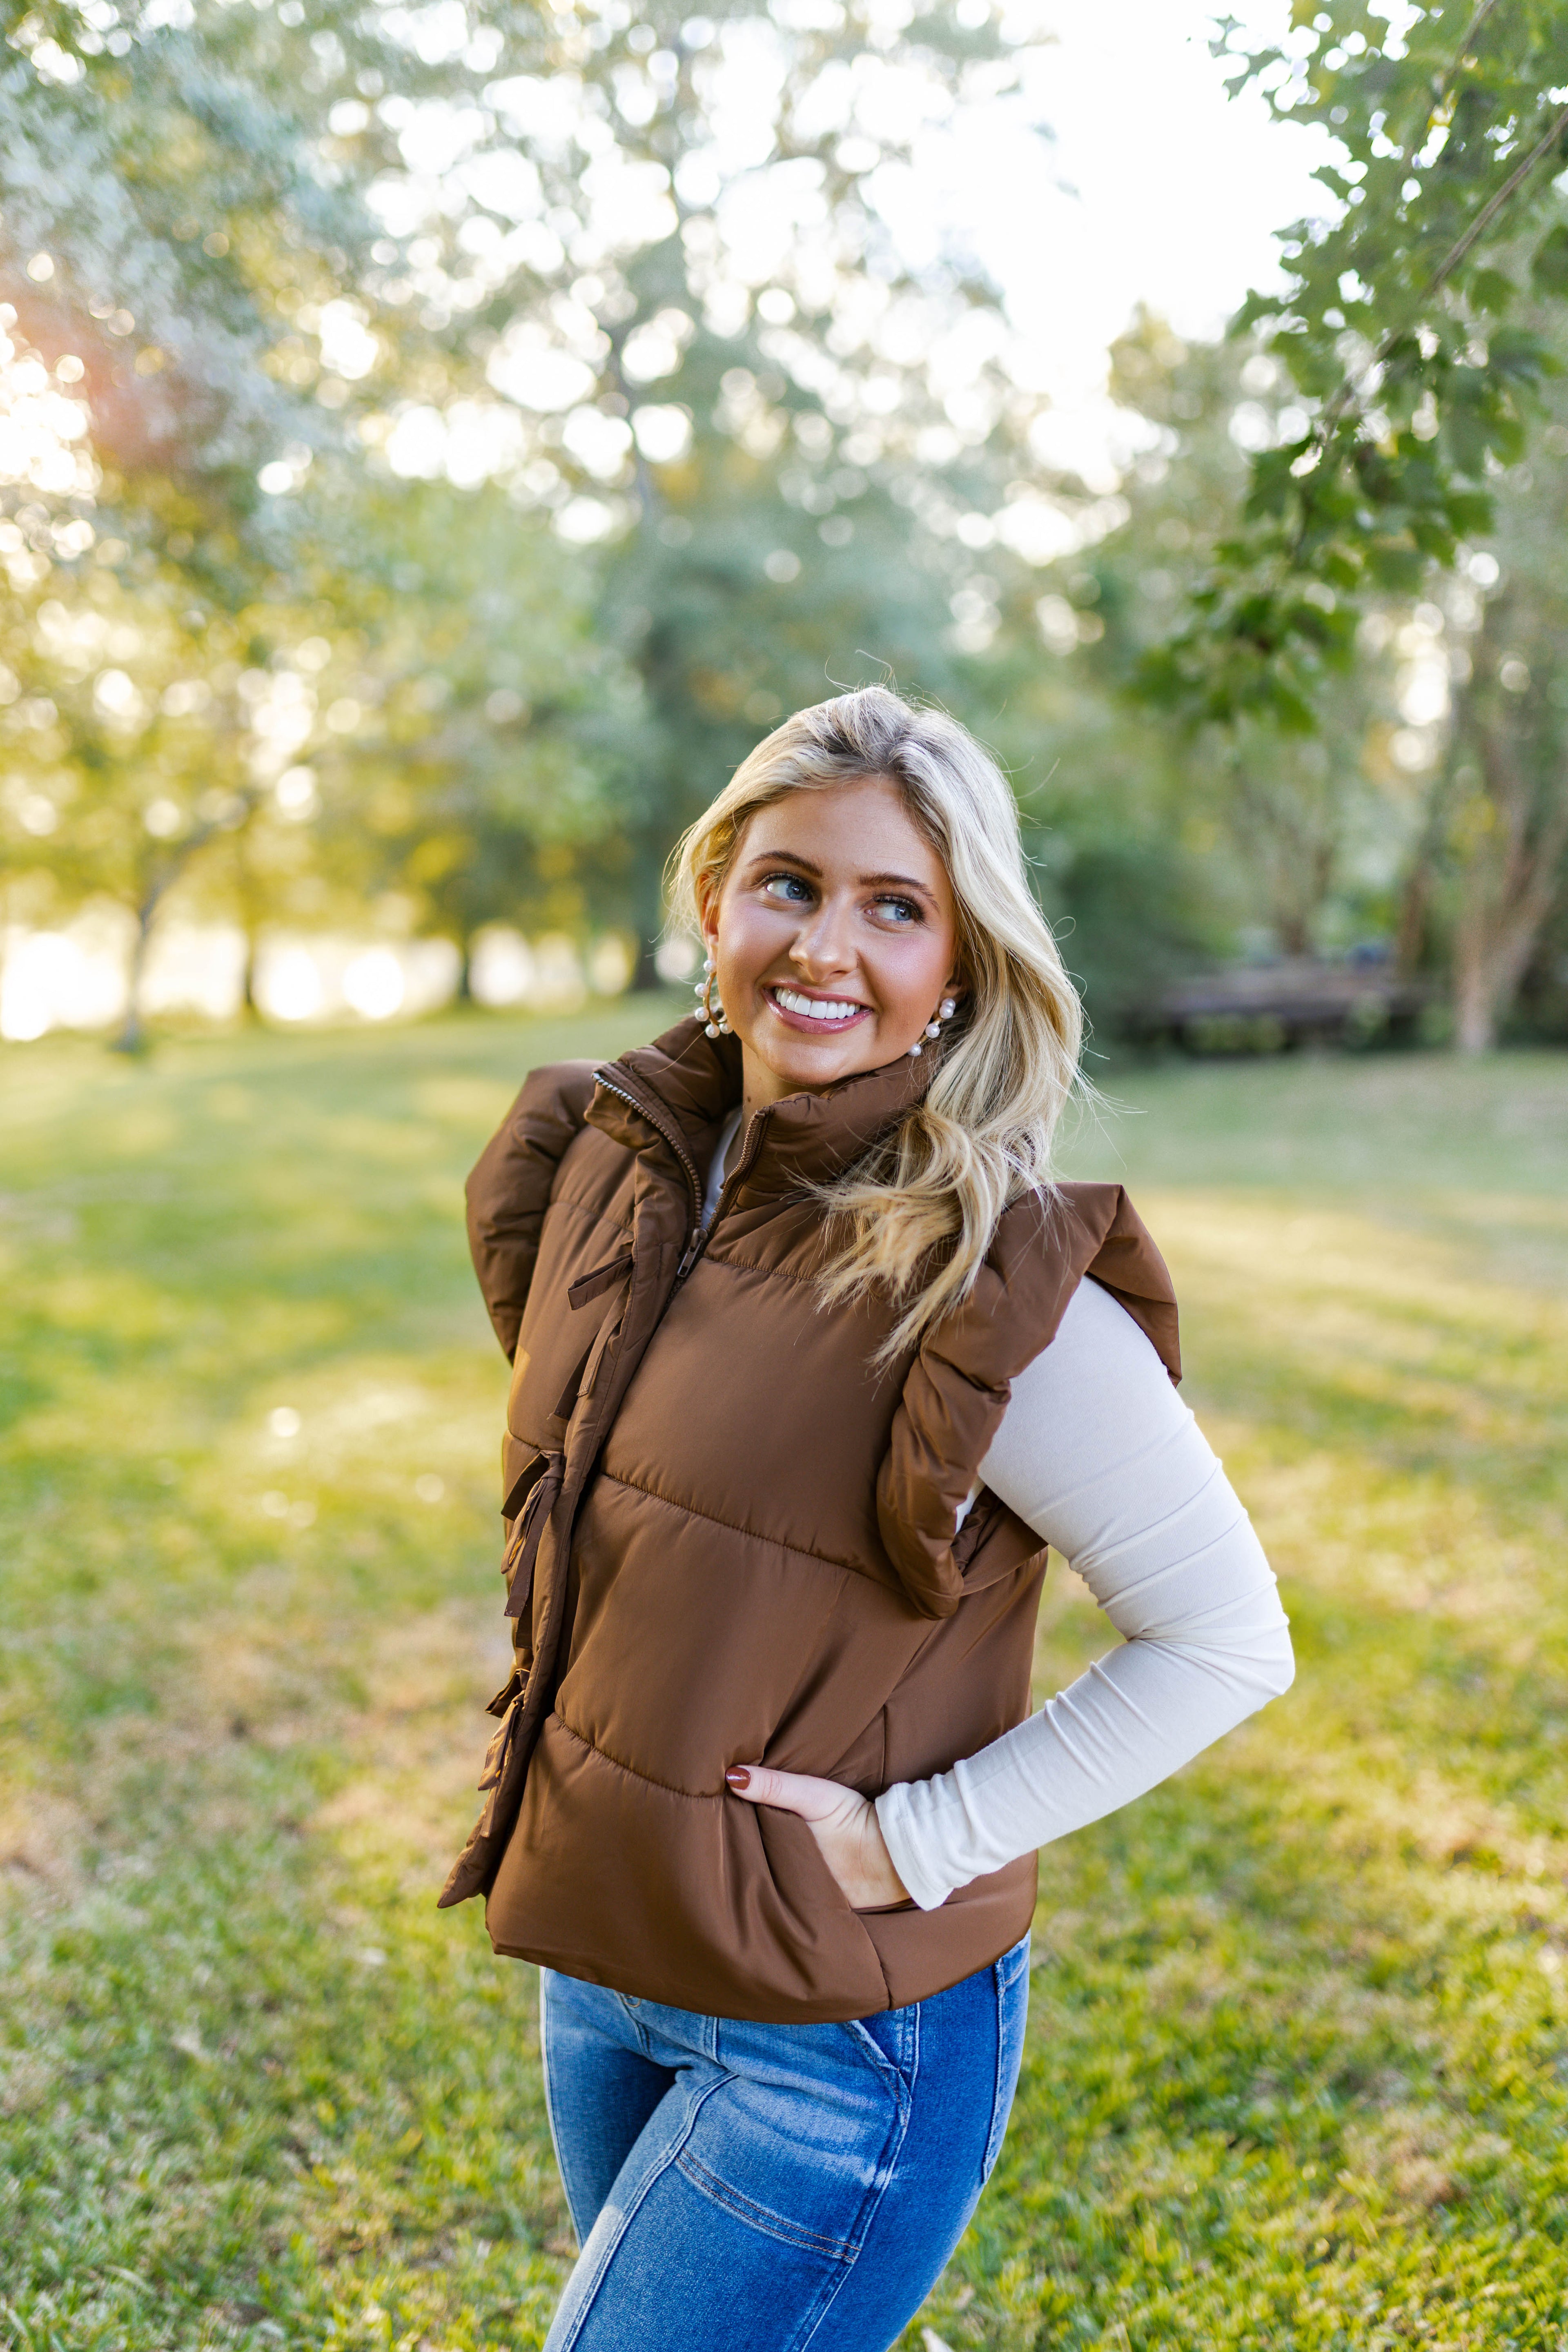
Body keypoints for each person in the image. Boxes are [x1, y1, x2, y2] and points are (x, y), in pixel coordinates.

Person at [440, 686, 1294, 2351]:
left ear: (962, 961)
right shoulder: (601, 1164)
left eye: (896, 907)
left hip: (832, 2041)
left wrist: (915, 1843)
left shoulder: (993, 1277)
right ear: (715, 898)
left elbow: (1224, 1641)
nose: (827, 947)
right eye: (791, 884)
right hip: (602, 1958)